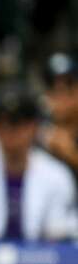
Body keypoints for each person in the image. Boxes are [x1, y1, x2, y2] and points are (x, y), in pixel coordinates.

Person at [0, 85, 77, 241]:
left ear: (33, 126)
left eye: (15, 121)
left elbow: (59, 237)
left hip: (43, 263)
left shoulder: (56, 176)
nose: (7, 130)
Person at [39, 52, 78, 180]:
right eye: (52, 87)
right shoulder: (38, 130)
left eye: (68, 84)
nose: (60, 94)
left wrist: (71, 155)